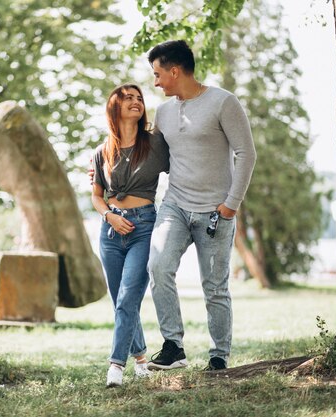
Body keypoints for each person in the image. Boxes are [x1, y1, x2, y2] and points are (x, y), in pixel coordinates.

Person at [145, 40, 256, 372]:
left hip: (216, 211)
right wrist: (105, 170)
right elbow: (151, 159)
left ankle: (219, 355)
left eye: (158, 74)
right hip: (175, 205)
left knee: (215, 286)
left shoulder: (223, 102)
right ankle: (173, 346)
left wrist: (231, 205)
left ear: (175, 71)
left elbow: (246, 153)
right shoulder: (163, 112)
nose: (156, 82)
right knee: (159, 267)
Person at [91, 84, 170, 387]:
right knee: (120, 301)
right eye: (128, 98)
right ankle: (140, 359)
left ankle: (115, 366)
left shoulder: (155, 144)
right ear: (115, 107)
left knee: (128, 298)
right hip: (110, 229)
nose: (136, 102)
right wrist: (108, 215)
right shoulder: (102, 151)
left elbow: (183, 165)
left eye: (139, 98)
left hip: (143, 226)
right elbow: (97, 196)